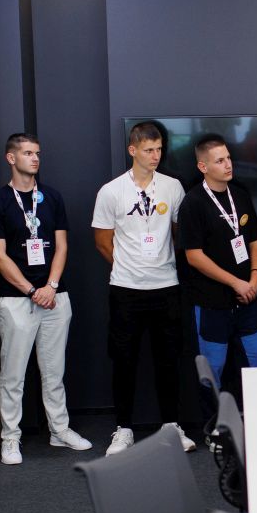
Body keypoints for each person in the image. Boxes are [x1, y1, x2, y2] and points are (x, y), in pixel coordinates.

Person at [0, 133, 91, 466]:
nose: (35, 159)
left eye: (37, 153)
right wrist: (31, 291)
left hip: (55, 296)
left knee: (54, 371)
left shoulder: (52, 198)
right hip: (16, 300)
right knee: (13, 374)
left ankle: (59, 429)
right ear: (11, 158)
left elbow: (62, 246)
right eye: (28, 153)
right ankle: (10, 437)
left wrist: (51, 286)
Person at [92, 121, 195, 456]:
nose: (155, 155)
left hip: (166, 287)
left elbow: (179, 232)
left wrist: (158, 263)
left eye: (159, 149)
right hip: (126, 289)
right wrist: (129, 266)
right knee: (124, 361)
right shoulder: (111, 191)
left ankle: (172, 426)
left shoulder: (173, 186)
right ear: (132, 150)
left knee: (169, 360)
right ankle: (123, 429)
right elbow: (102, 240)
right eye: (149, 150)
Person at [178, 134, 257, 395]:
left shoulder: (240, 195)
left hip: (248, 299)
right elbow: (194, 256)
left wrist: (254, 279)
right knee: (212, 369)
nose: (228, 164)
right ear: (203, 167)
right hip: (211, 303)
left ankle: (255, 415)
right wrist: (235, 283)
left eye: (228, 158)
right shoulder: (192, 203)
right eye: (219, 161)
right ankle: (214, 420)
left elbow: (256, 241)